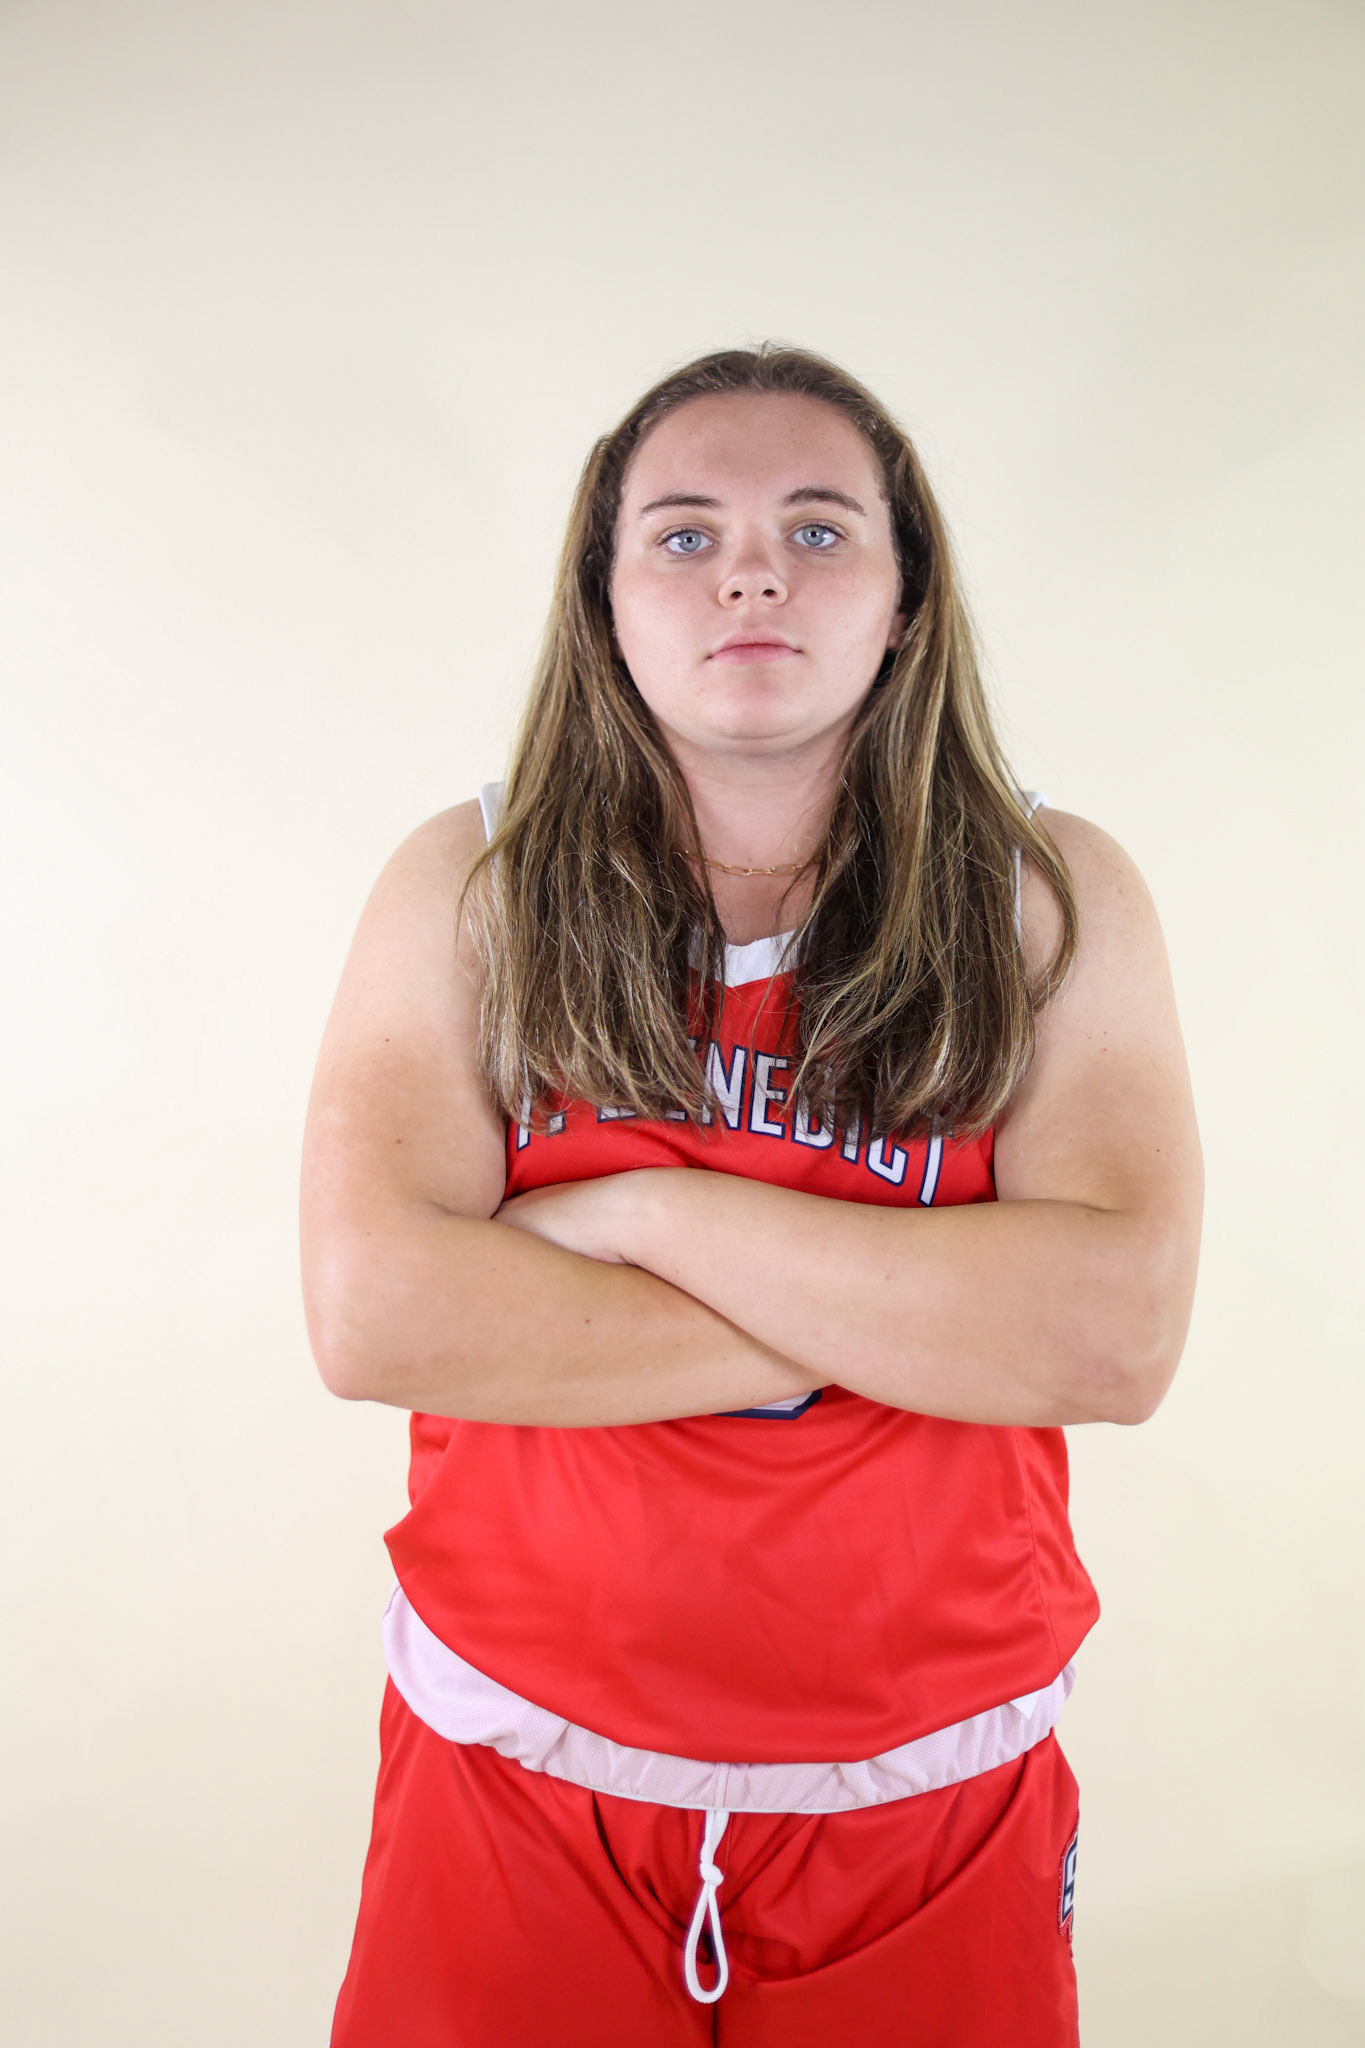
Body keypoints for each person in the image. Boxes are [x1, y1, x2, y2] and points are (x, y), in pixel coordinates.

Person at [300, 343, 1203, 2046]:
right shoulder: (476, 886)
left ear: (905, 596)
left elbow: (1105, 1340)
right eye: (686, 533)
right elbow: (380, 1313)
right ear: (605, 598)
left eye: (816, 526)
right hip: (516, 1771)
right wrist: (906, 1314)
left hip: (928, 1797)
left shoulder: (1044, 896)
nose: (752, 573)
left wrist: (638, 1215)